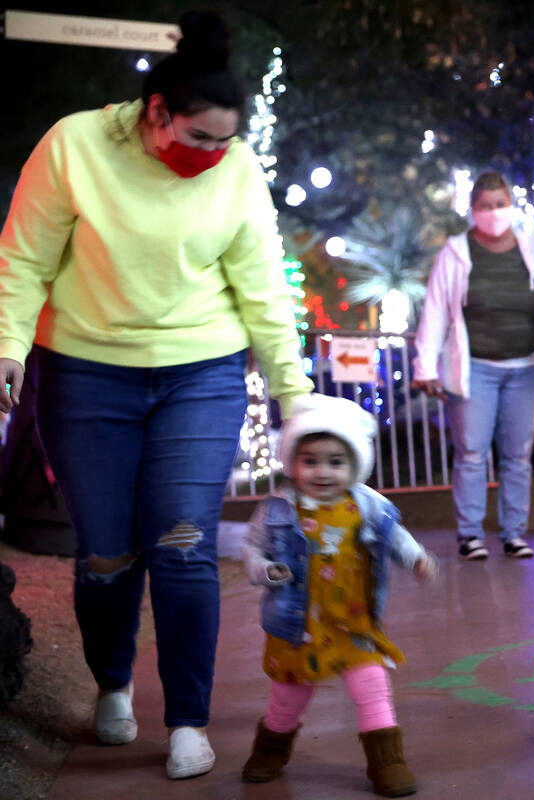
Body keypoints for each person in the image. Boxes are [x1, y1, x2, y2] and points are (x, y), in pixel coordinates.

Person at [0, 11, 311, 779]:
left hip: (199, 373)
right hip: (83, 373)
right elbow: (23, 257)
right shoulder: (73, 146)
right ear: (158, 112)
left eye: (226, 141)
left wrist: (292, 392)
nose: (214, 155)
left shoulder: (235, 168)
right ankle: (113, 682)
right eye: (200, 137)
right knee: (106, 552)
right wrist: (7, 346)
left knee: (182, 543)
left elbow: (265, 291)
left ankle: (187, 720)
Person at [240, 393, 437, 796]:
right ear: (292, 461)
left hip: (353, 624)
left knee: (373, 689)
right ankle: (271, 750)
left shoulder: (367, 506)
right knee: (287, 699)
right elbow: (251, 548)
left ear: (355, 464)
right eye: (310, 461)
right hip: (299, 628)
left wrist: (415, 558)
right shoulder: (278, 509)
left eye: (336, 461)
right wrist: (263, 569)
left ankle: (388, 763)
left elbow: (394, 537)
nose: (322, 472)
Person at [413, 171, 534, 561]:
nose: (494, 212)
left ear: (511, 205)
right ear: (473, 210)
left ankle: (514, 534)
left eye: (500, 204)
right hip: (475, 368)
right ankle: (470, 535)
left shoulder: (532, 249)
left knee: (518, 454)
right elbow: (435, 311)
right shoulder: (455, 252)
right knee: (471, 451)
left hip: (528, 366)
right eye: (485, 206)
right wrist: (425, 367)